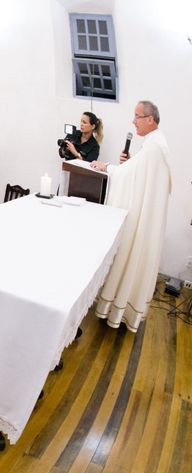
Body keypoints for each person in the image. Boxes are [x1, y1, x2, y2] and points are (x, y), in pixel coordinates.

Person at [90, 101, 171, 332]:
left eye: (137, 116)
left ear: (150, 119)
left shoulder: (154, 147)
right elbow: (138, 175)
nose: (132, 121)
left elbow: (129, 177)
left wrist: (108, 167)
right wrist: (128, 165)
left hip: (141, 219)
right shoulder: (154, 143)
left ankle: (117, 307)